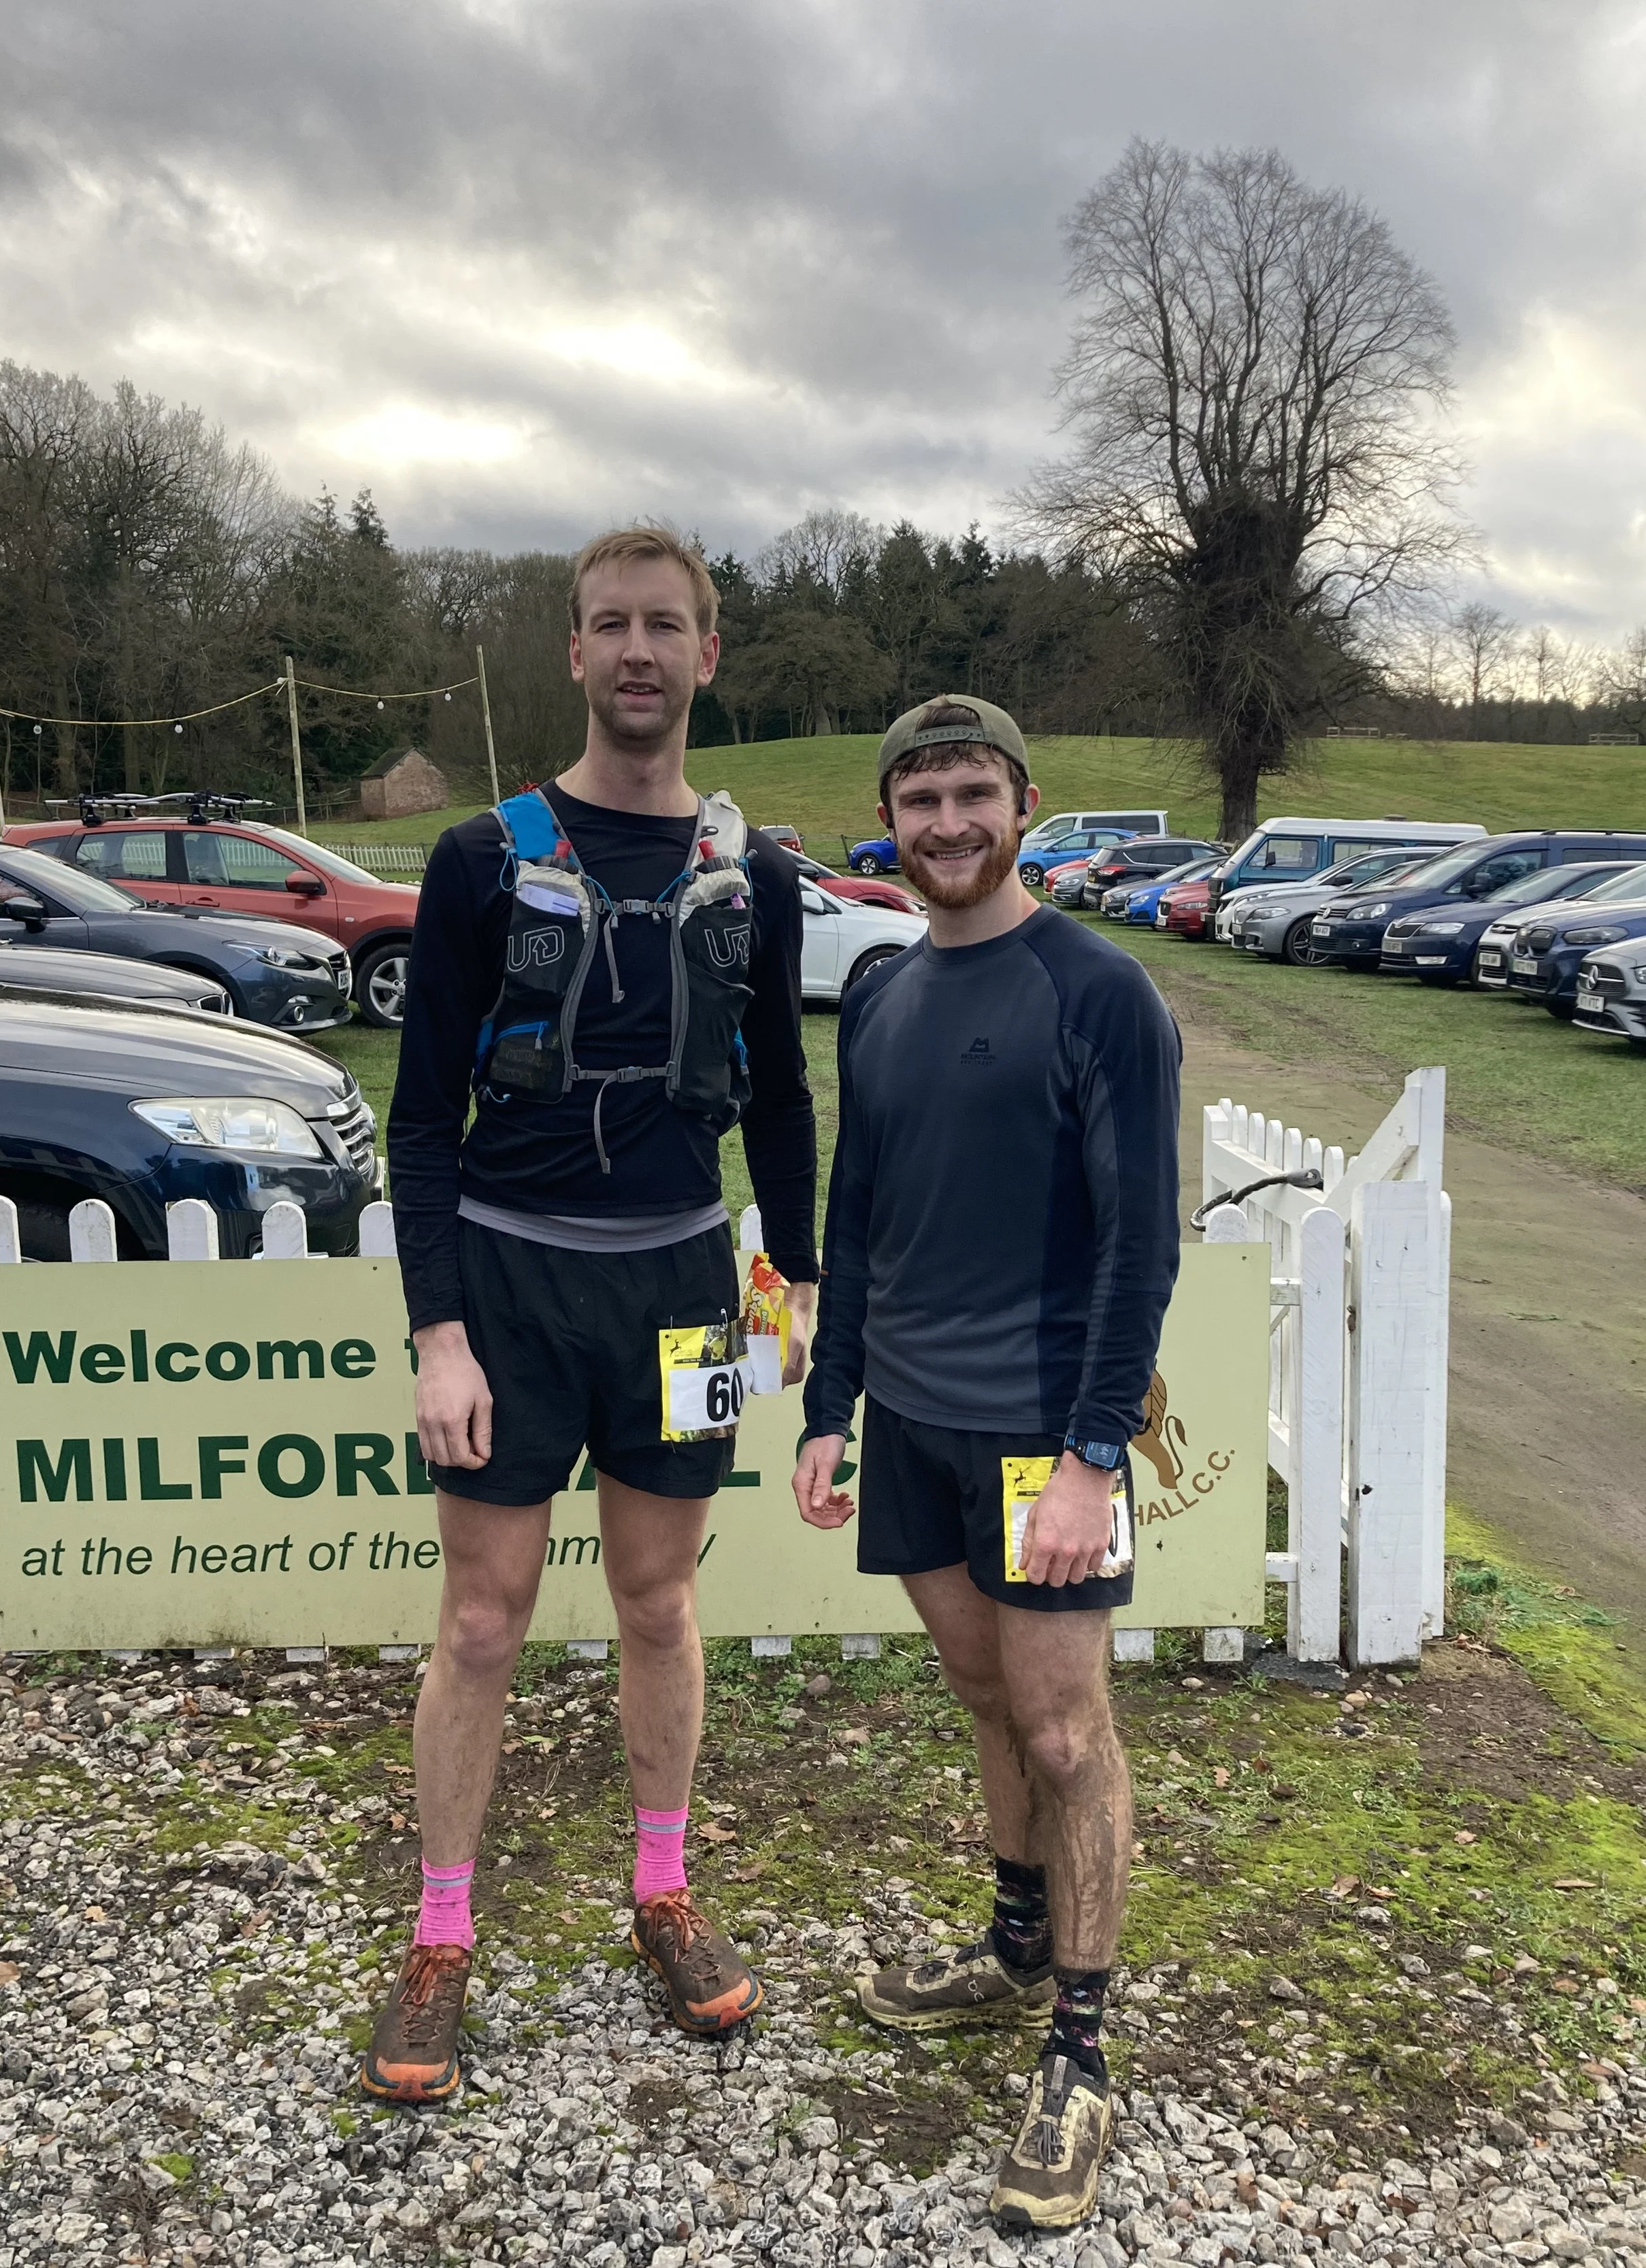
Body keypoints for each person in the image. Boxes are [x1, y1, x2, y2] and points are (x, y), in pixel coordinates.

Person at [365, 526, 819, 2104]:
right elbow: (418, 1121)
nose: (637, 650)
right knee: (482, 1620)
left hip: (684, 1287)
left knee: (659, 1605)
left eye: (665, 626)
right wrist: (439, 1334)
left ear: (707, 656)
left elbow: (779, 1096)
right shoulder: (480, 858)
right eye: (608, 625)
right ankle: (439, 1934)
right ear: (573, 653)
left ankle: (662, 1889)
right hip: (510, 1278)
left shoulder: (751, 873)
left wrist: (799, 1269)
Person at [793, 696, 1181, 2230]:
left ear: (1024, 803)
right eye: (918, 798)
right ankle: (1014, 1949)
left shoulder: (1098, 992)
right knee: (985, 1699)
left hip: (1042, 1430)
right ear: (889, 817)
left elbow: (1140, 1239)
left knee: (1067, 1727)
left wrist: (1092, 1452)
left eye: (971, 794)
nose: (945, 824)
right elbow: (853, 1223)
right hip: (915, 1424)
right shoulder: (881, 992)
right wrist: (830, 1406)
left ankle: (1077, 2051)